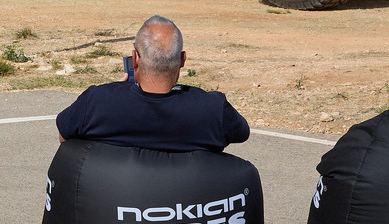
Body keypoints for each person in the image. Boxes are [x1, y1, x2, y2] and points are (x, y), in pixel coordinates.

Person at [55, 15, 249, 154]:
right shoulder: (213, 109)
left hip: (117, 197)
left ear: (134, 59)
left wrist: (115, 92)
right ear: (182, 60)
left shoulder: (97, 101)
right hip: (184, 197)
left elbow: (65, 139)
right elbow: (241, 133)